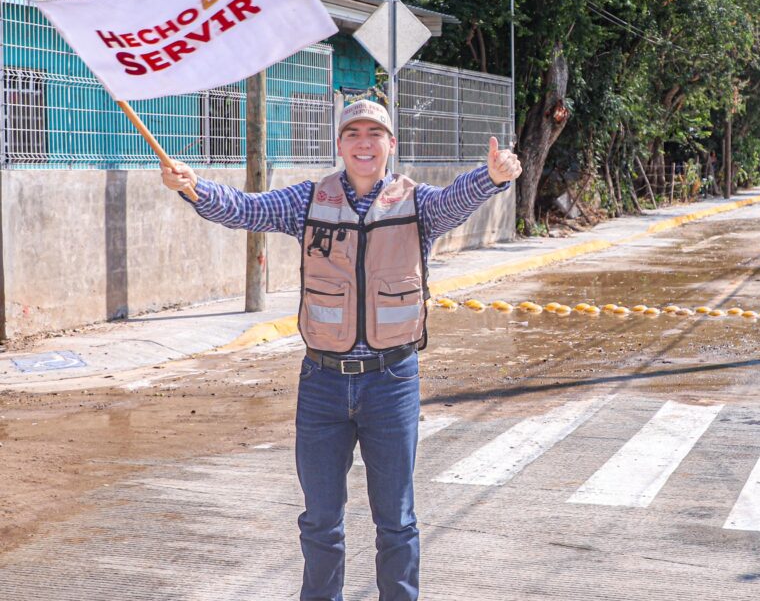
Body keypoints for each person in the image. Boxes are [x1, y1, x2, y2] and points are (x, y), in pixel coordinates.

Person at [161, 99, 522, 600]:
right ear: (339, 145)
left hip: (391, 382)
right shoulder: (308, 202)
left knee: (396, 520)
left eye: (375, 134)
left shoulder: (415, 205)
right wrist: (194, 187)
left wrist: (493, 175)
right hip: (323, 383)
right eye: (353, 133)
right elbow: (247, 208)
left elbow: (458, 198)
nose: (364, 143)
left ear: (391, 145)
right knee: (320, 522)